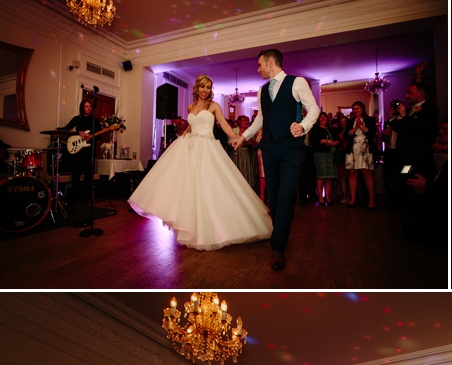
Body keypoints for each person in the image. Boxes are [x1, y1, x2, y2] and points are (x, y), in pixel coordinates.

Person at [128, 75, 273, 250]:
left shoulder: (214, 106)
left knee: (209, 188)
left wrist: (237, 137)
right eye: (203, 87)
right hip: (190, 149)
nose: (205, 90)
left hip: (207, 148)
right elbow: (192, 123)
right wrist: (185, 132)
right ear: (197, 88)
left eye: (208, 87)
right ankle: (193, 229)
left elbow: (224, 125)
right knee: (189, 190)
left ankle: (215, 230)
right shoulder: (191, 106)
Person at [233, 49, 319, 271]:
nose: (258, 68)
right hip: (269, 148)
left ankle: (278, 247)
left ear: (271, 62)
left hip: (291, 147)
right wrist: (243, 137)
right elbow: (261, 118)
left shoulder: (297, 82)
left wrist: (303, 126)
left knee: (286, 195)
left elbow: (314, 110)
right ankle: (278, 235)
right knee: (272, 195)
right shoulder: (262, 91)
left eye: (260, 64)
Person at [62, 98, 100, 203]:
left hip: (89, 151)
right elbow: (67, 128)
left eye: (90, 106)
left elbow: (99, 137)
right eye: (86, 106)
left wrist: (89, 136)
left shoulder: (95, 121)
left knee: (88, 174)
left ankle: (86, 198)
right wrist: (78, 133)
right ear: (82, 107)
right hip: (78, 151)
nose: (89, 108)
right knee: (76, 173)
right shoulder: (77, 119)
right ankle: (75, 198)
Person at [343, 101, 377, 209]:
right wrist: (354, 128)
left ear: (362, 108)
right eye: (353, 109)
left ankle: (371, 199)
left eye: (357, 108)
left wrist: (361, 126)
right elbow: (346, 136)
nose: (355, 111)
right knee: (352, 173)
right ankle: (353, 198)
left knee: (366, 172)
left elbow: (372, 134)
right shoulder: (350, 121)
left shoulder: (370, 119)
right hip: (353, 149)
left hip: (365, 148)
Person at [309, 111, 339, 205]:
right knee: (321, 176)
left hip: (331, 154)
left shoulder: (332, 129)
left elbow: (338, 139)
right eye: (321, 117)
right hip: (320, 154)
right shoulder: (315, 129)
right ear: (318, 119)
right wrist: (329, 142)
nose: (323, 118)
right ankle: (320, 197)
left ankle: (327, 196)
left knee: (329, 176)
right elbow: (316, 140)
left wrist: (335, 143)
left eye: (324, 117)